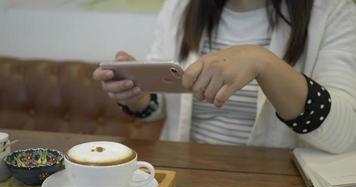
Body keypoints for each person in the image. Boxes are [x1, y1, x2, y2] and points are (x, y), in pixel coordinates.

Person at [93, 0, 356, 153]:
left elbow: (342, 133)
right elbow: (160, 104)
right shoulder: (180, 6)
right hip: (186, 171)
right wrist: (138, 98)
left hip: (282, 181)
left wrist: (262, 61)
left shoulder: (334, 10)